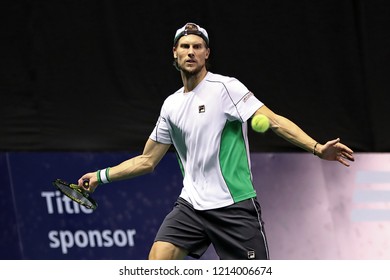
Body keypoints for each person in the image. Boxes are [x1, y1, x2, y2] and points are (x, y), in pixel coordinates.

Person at [78, 23, 355, 260]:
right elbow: (147, 160)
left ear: (207, 53)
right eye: (185, 46)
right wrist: (101, 176)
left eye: (198, 47)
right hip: (191, 206)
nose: (191, 51)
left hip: (233, 206)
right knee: (156, 265)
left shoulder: (226, 88)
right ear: (174, 53)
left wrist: (318, 149)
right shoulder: (171, 105)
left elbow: (273, 120)